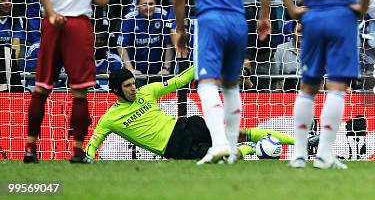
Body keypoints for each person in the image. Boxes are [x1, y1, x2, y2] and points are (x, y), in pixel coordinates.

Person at [273, 0, 374, 169]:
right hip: (341, 16)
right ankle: (325, 154)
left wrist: (293, 9)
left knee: (308, 86)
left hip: (312, 16)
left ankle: (298, 154)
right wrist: (362, 7)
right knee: (338, 86)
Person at [173, 0, 272, 164]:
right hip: (238, 22)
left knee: (206, 83)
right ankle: (231, 147)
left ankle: (218, 144)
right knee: (230, 85)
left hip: (210, 21)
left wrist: (181, 30)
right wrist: (263, 17)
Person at [24, 0, 111, 164]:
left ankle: (30, 147)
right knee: (80, 92)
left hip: (52, 21)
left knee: (41, 87)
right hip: (79, 25)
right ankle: (77, 150)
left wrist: (51, 12)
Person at [85, 67, 297, 160]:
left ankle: (298, 142)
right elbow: (94, 141)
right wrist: (87, 157)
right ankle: (254, 150)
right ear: (115, 91)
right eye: (128, 86)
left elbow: (178, 81)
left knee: (237, 133)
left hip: (184, 125)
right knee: (223, 157)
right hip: (174, 147)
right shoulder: (110, 118)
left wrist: (203, 63)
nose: (133, 88)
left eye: (133, 83)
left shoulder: (146, 91)